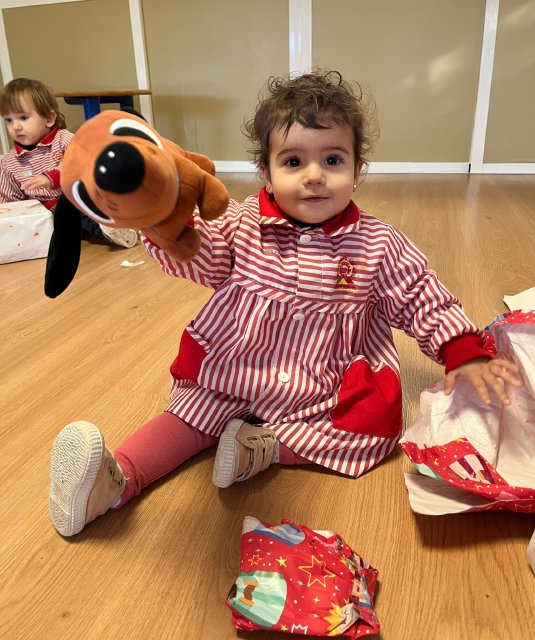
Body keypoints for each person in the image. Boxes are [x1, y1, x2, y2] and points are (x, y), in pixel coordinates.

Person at [48, 70, 522, 537]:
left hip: (324, 384)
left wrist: (461, 349)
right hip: (235, 368)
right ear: (267, 174)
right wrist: (164, 225)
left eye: (332, 160)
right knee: (188, 416)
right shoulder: (241, 224)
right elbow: (202, 257)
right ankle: (116, 479)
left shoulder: (376, 243)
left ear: (357, 171)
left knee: (374, 431)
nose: (314, 176)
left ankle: (265, 447)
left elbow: (418, 292)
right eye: (293, 161)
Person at [0, 77, 137, 248]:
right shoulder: (9, 162)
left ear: (49, 118)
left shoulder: (65, 140)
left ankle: (112, 229)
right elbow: (9, 200)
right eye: (9, 120)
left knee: (85, 206)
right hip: (45, 218)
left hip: (76, 200)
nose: (16, 127)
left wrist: (53, 177)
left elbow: (83, 165)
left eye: (23, 118)